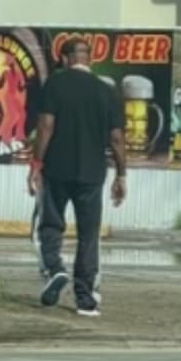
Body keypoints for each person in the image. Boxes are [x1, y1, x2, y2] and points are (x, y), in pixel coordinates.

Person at [27, 36, 127, 317]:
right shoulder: (106, 91)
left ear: (64, 58)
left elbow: (46, 126)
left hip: (56, 170)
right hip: (92, 174)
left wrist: (36, 163)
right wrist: (121, 175)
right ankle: (85, 299)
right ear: (89, 59)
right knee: (88, 235)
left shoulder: (55, 84)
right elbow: (117, 139)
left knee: (47, 226)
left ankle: (55, 270)